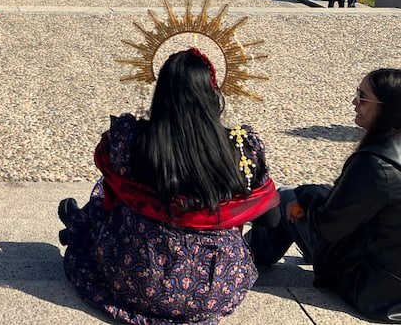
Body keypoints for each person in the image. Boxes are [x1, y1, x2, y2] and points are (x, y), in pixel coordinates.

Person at [59, 49, 277, 325]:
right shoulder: (241, 147)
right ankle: (78, 223)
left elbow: (110, 181)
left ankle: (78, 225)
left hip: (137, 276)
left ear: (160, 92)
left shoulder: (132, 139)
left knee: (108, 195)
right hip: (217, 283)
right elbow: (271, 218)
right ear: (213, 95)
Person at [247, 68, 401, 321]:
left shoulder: (375, 164)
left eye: (363, 97)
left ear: (387, 108)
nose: (355, 102)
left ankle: (243, 257)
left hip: (372, 289)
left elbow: (329, 228)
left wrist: (305, 196)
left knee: (286, 197)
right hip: (391, 279)